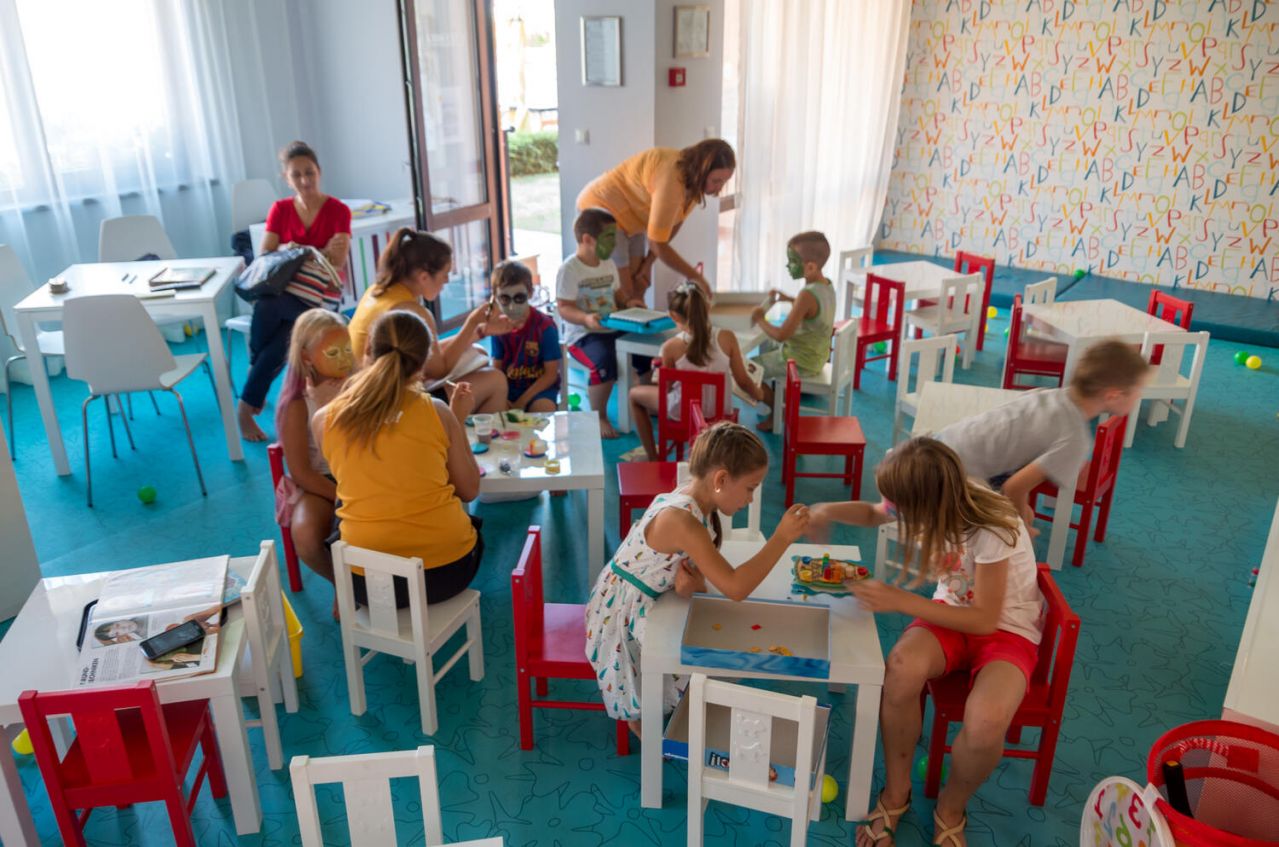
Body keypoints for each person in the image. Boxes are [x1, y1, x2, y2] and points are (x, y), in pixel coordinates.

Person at [806, 438, 1044, 847]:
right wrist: (826, 509)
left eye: (901, 508)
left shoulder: (992, 526)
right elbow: (875, 512)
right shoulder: (929, 500)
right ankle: (896, 793)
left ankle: (951, 807)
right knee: (900, 669)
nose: (894, 513)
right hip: (951, 614)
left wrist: (899, 600)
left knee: (987, 722)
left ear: (929, 504)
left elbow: (985, 620)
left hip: (1006, 629)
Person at [585, 422, 810, 734]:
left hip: (645, 596)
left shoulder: (692, 498)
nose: (750, 499)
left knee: (719, 637)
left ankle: (669, 707)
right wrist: (781, 538)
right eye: (750, 488)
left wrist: (696, 586)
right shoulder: (682, 520)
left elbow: (695, 568)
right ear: (721, 479)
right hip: (621, 614)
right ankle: (644, 719)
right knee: (711, 654)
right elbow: (735, 587)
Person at [314, 310, 483, 607]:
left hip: (365, 582)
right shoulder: (437, 411)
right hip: (445, 573)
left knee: (349, 498)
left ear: (367, 348)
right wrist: (457, 421)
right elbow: (469, 489)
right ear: (423, 361)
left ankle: (343, 597)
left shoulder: (323, 419)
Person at [932, 338, 1149, 532]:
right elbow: (1013, 488)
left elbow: (1018, 456)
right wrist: (1023, 529)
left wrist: (1022, 507)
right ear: (1113, 395)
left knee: (1022, 514)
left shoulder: (1050, 395)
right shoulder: (1075, 439)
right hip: (951, 479)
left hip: (937, 446)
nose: (1140, 395)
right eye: (1139, 389)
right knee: (1008, 542)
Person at [239, 141, 351, 442]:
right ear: (287, 179)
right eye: (297, 175)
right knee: (280, 338)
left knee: (271, 316)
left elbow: (337, 262)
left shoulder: (338, 210)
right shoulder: (280, 209)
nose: (304, 180)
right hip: (285, 290)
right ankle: (250, 396)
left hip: (320, 296)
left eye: (309, 172)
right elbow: (266, 254)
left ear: (319, 172)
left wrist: (300, 250)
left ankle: (248, 397)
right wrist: (301, 249)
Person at [347, 228, 512, 413]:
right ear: (424, 277)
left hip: (364, 391)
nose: (447, 281)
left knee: (478, 351)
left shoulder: (377, 291)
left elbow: (429, 351)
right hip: (387, 405)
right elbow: (439, 370)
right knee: (496, 380)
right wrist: (472, 322)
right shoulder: (411, 310)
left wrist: (480, 332)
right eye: (444, 274)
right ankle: (472, 430)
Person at [577, 139, 735, 301]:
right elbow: (657, 243)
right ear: (701, 171)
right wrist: (695, 276)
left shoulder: (694, 185)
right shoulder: (671, 177)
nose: (719, 188)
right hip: (603, 209)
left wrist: (648, 265)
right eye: (716, 181)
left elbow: (670, 228)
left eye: (724, 182)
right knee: (625, 291)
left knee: (640, 285)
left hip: (633, 220)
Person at [623, 281, 764, 461]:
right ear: (707, 308)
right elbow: (743, 381)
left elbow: (666, 388)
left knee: (634, 395)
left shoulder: (670, 347)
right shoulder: (727, 337)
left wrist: (657, 372)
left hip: (682, 413)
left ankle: (653, 456)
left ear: (673, 315)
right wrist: (758, 394)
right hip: (719, 414)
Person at [273, 309, 352, 603]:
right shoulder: (297, 404)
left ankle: (364, 581)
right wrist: (343, 498)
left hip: (360, 471)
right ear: (306, 357)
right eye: (333, 353)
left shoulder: (359, 385)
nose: (344, 359)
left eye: (348, 349)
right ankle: (343, 584)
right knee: (305, 537)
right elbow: (302, 473)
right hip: (321, 482)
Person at [557, 208, 646, 437]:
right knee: (605, 361)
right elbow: (564, 307)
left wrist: (630, 302)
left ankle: (645, 402)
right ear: (587, 239)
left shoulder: (608, 264)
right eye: (609, 238)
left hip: (612, 328)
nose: (614, 244)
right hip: (582, 336)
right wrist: (586, 318)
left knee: (643, 351)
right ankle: (599, 416)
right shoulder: (570, 269)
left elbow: (617, 294)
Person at [751, 231, 837, 431]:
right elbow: (811, 309)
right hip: (817, 356)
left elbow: (782, 335)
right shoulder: (826, 285)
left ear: (810, 267)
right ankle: (776, 403)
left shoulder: (806, 295)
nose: (787, 266)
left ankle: (778, 409)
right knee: (767, 347)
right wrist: (788, 298)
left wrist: (759, 318)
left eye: (792, 261)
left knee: (747, 369)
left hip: (799, 362)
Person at [488, 260, 561, 412]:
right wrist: (502, 397)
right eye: (505, 299)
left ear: (530, 293)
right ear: (495, 297)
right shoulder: (498, 328)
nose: (512, 307)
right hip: (507, 390)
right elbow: (497, 370)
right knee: (493, 411)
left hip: (539, 390)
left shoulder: (545, 327)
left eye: (519, 298)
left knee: (543, 409)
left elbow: (550, 375)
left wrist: (521, 402)